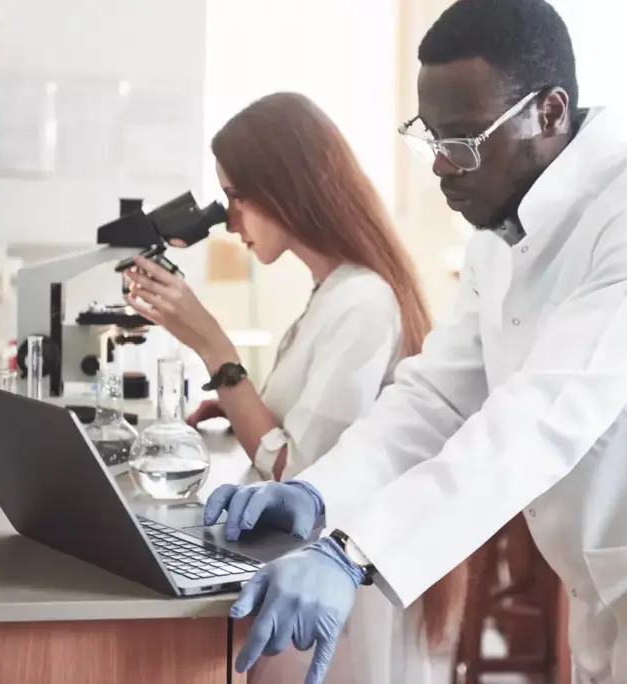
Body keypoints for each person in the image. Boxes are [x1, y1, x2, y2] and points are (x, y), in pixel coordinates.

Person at [208, 1, 627, 683]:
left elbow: (543, 417)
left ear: (549, 113)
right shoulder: (502, 235)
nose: (440, 165)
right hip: (606, 581)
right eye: (430, 137)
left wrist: (354, 553)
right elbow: (435, 401)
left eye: (462, 141)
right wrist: (321, 494)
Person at [122, 91, 467, 684]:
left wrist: (213, 347)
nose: (228, 222)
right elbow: (297, 433)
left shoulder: (363, 301)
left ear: (287, 186)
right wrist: (236, 405)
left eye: (234, 197)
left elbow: (302, 478)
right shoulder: (332, 290)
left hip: (329, 589)